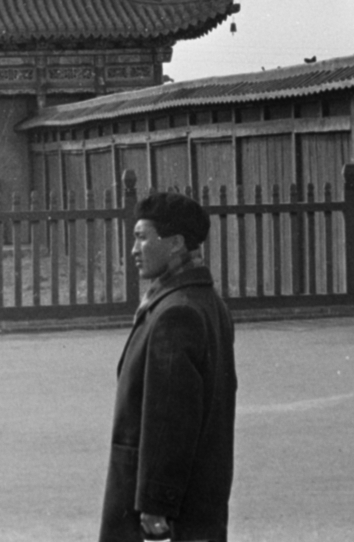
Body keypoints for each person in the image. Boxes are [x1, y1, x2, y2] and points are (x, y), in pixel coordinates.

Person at [100, 192, 237, 542]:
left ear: (175, 244)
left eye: (142, 237)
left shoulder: (177, 313)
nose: (133, 250)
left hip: (168, 509)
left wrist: (156, 503)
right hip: (198, 494)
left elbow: (170, 419)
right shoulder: (206, 303)